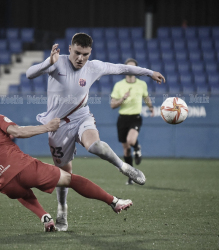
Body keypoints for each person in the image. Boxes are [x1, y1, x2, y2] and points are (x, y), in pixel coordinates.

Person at [26, 33, 165, 231]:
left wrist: (149, 72)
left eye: (85, 54)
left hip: (81, 116)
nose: (80, 58)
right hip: (57, 125)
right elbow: (29, 74)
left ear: (90, 52)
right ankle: (62, 212)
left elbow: (122, 68)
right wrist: (48, 61)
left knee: (95, 145)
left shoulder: (93, 67)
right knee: (64, 175)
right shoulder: (57, 62)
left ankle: (123, 167)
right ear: (70, 49)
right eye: (77, 53)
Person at [0, 106, 133, 232]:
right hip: (24, 168)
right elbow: (18, 132)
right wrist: (46, 127)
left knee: (22, 193)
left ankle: (45, 217)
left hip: (6, 185)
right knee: (70, 179)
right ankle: (114, 202)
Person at [110, 58, 155, 185]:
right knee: (126, 150)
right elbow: (112, 105)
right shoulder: (119, 85)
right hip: (122, 118)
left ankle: (137, 147)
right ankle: (131, 176)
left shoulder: (142, 84)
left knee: (131, 141)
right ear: (125, 69)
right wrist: (122, 99)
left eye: (133, 68)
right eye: (128, 67)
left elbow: (146, 97)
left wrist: (151, 108)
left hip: (135, 117)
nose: (131, 70)